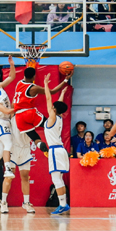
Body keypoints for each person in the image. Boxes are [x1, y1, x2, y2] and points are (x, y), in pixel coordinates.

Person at [13, 67, 70, 150]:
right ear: (34, 77)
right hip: (29, 113)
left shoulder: (19, 83)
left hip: (18, 116)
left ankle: (39, 144)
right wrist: (65, 80)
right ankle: (56, 143)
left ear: (24, 75)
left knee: (34, 136)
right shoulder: (34, 88)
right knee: (50, 125)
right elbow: (52, 92)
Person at [43, 75, 71, 215]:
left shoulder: (53, 117)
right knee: (59, 179)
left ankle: (62, 205)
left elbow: (48, 99)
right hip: (61, 150)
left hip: (55, 151)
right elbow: (57, 104)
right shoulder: (58, 117)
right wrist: (63, 93)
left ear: (54, 109)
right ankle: (64, 204)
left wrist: (45, 84)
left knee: (56, 179)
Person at [0, 115, 36, 214]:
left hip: (25, 148)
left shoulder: (31, 114)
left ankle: (26, 203)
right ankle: (3, 202)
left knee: (25, 176)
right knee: (9, 176)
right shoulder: (13, 114)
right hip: (13, 147)